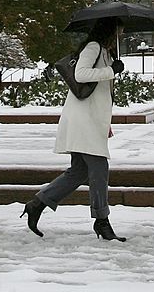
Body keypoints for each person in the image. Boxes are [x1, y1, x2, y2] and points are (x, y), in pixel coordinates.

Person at [21, 17, 127, 241]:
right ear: (109, 31)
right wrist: (110, 71)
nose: (121, 35)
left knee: (79, 171)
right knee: (99, 168)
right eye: (119, 30)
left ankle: (37, 204)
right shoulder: (93, 47)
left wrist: (105, 123)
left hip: (91, 120)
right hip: (83, 120)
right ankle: (102, 221)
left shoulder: (106, 53)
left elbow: (101, 95)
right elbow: (81, 74)